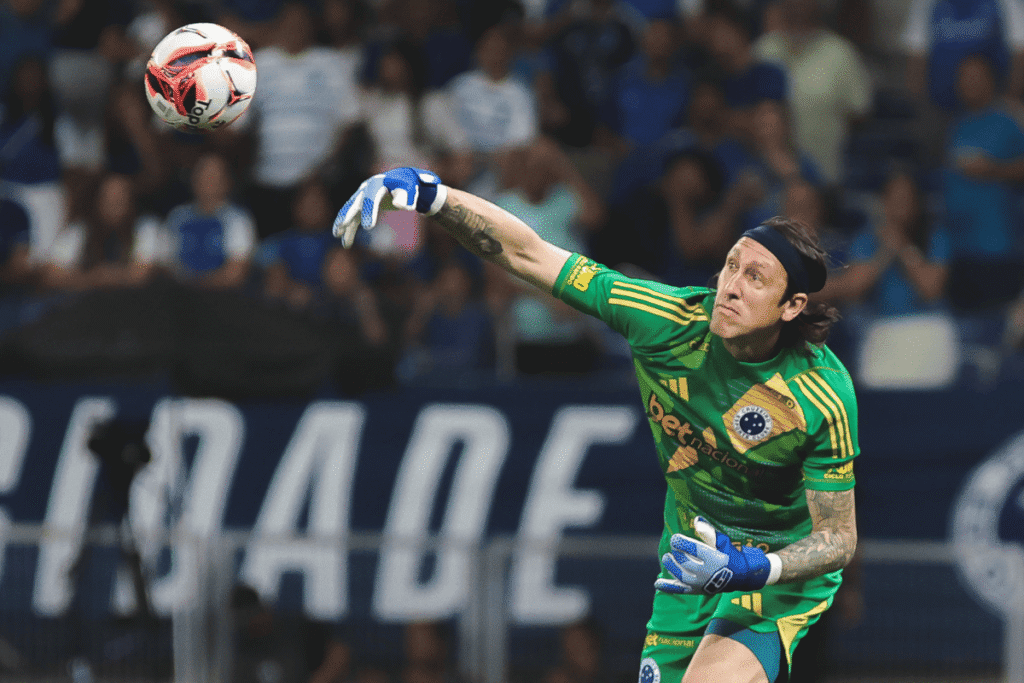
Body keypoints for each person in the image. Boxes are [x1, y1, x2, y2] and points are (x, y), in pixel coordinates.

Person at [334, 167, 858, 683]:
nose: (731, 287)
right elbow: (530, 254)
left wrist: (755, 569)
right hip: (688, 563)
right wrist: (435, 198)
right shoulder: (665, 323)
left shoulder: (822, 395)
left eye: (755, 278)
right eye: (730, 266)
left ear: (792, 307)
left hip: (774, 575)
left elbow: (838, 536)